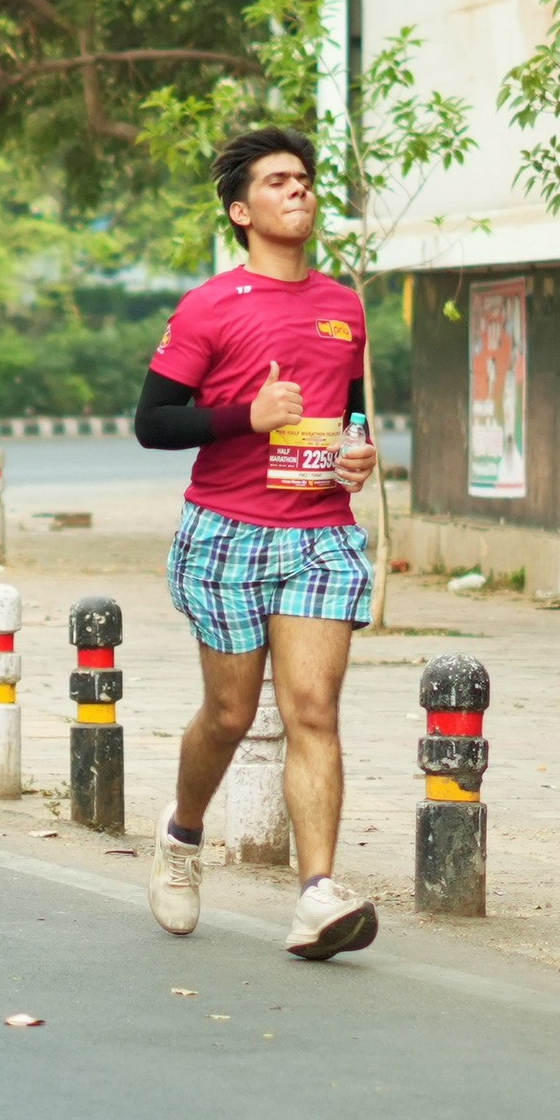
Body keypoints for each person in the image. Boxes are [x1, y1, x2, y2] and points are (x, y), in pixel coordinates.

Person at [131, 127, 383, 960]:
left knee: (313, 709)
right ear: (242, 212)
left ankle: (317, 895)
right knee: (231, 713)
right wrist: (247, 416)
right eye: (277, 181)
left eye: (303, 178)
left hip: (320, 533)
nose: (297, 189)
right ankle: (182, 835)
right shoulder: (210, 305)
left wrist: (357, 453)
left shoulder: (344, 305)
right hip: (227, 533)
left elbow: (351, 411)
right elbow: (153, 422)